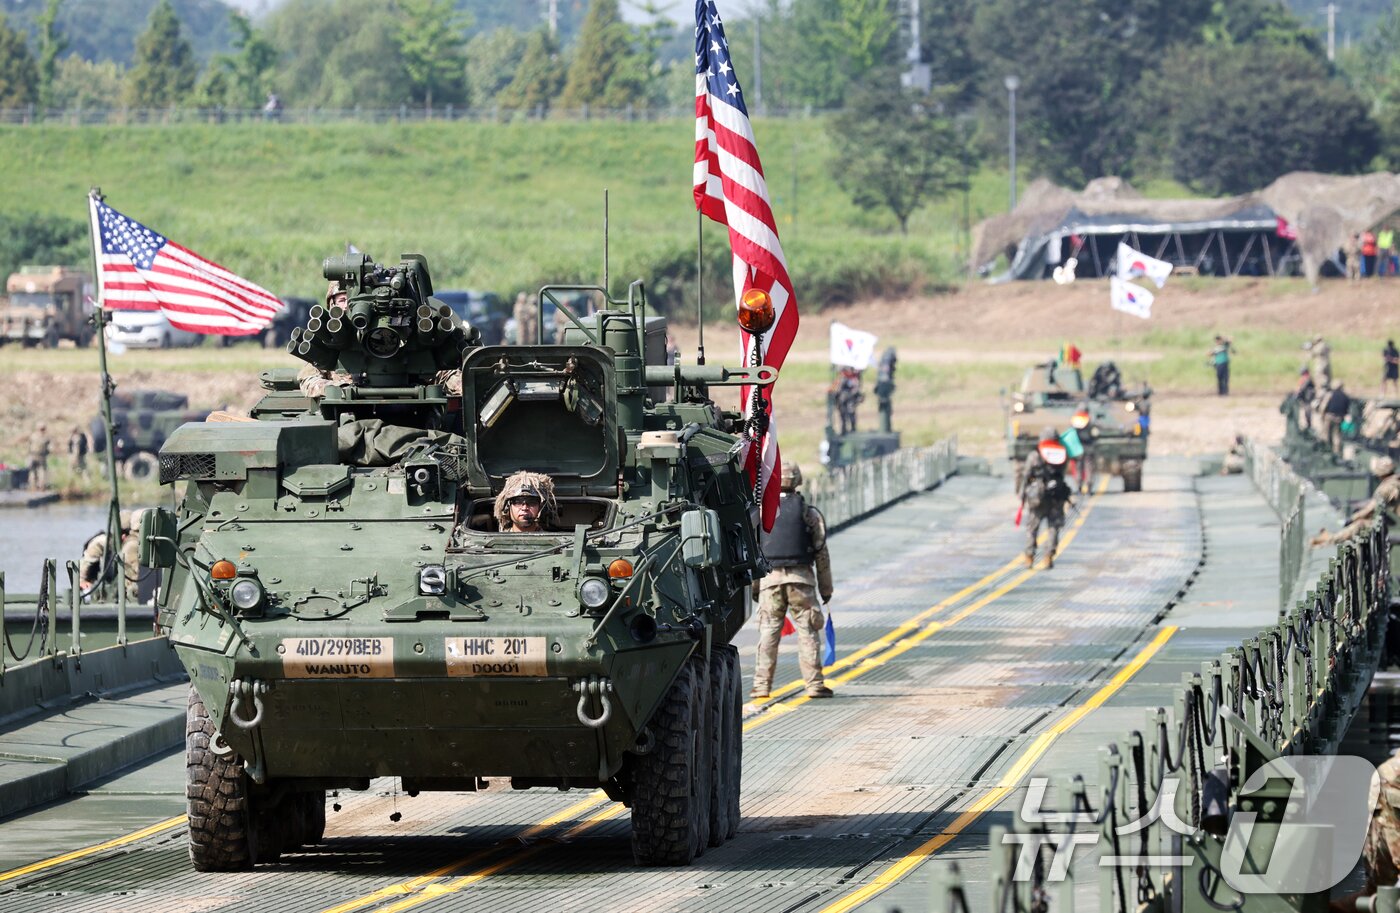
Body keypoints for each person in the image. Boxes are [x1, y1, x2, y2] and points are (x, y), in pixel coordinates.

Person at [752, 463, 834, 700]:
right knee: (807, 632)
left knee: (768, 633)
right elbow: (821, 554)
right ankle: (814, 685)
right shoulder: (810, 514)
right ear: (798, 482)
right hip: (802, 581)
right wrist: (826, 590)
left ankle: (761, 686)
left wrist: (756, 589)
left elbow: (756, 554)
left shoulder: (762, 513)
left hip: (770, 581)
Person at [1315, 457, 1400, 546]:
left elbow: (1370, 510)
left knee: (1360, 524)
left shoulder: (1386, 488)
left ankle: (1330, 539)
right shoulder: (1396, 482)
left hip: (1396, 531)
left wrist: (1351, 519)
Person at [1021, 427, 1073, 569]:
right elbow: (1062, 472)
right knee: (1054, 527)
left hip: (1037, 496)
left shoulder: (1035, 455)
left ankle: (1029, 557)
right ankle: (1048, 556)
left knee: (1032, 527)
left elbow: (1026, 475)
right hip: (1057, 495)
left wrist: (1022, 495)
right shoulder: (1063, 453)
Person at [79, 509, 143, 599]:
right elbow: (87, 562)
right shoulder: (102, 542)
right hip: (100, 586)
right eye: (124, 533)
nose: (126, 537)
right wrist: (82, 581)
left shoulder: (132, 545)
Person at [493, 470, 557, 533]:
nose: (524, 508)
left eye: (531, 503)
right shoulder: (496, 540)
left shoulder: (554, 541)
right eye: (518, 502)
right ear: (507, 507)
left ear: (540, 507)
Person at [1323, 382, 1352, 456]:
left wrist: (1322, 415)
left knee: (1327, 434)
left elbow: (1324, 405)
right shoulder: (1345, 397)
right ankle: (1337, 453)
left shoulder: (1330, 394)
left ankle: (1327, 450)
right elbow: (1347, 409)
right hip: (1339, 418)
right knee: (1337, 436)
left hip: (1329, 416)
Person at [832, 367, 863, 435]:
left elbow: (857, 388)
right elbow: (837, 389)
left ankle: (853, 430)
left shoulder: (854, 377)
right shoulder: (842, 377)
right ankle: (844, 430)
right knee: (843, 414)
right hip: (842, 399)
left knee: (851, 413)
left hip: (850, 398)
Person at [27, 423, 50, 491]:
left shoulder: (32, 436)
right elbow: (48, 447)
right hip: (41, 456)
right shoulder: (45, 438)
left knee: (32, 472)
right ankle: (42, 487)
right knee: (42, 471)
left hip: (32, 455)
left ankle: (33, 486)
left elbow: (29, 445)